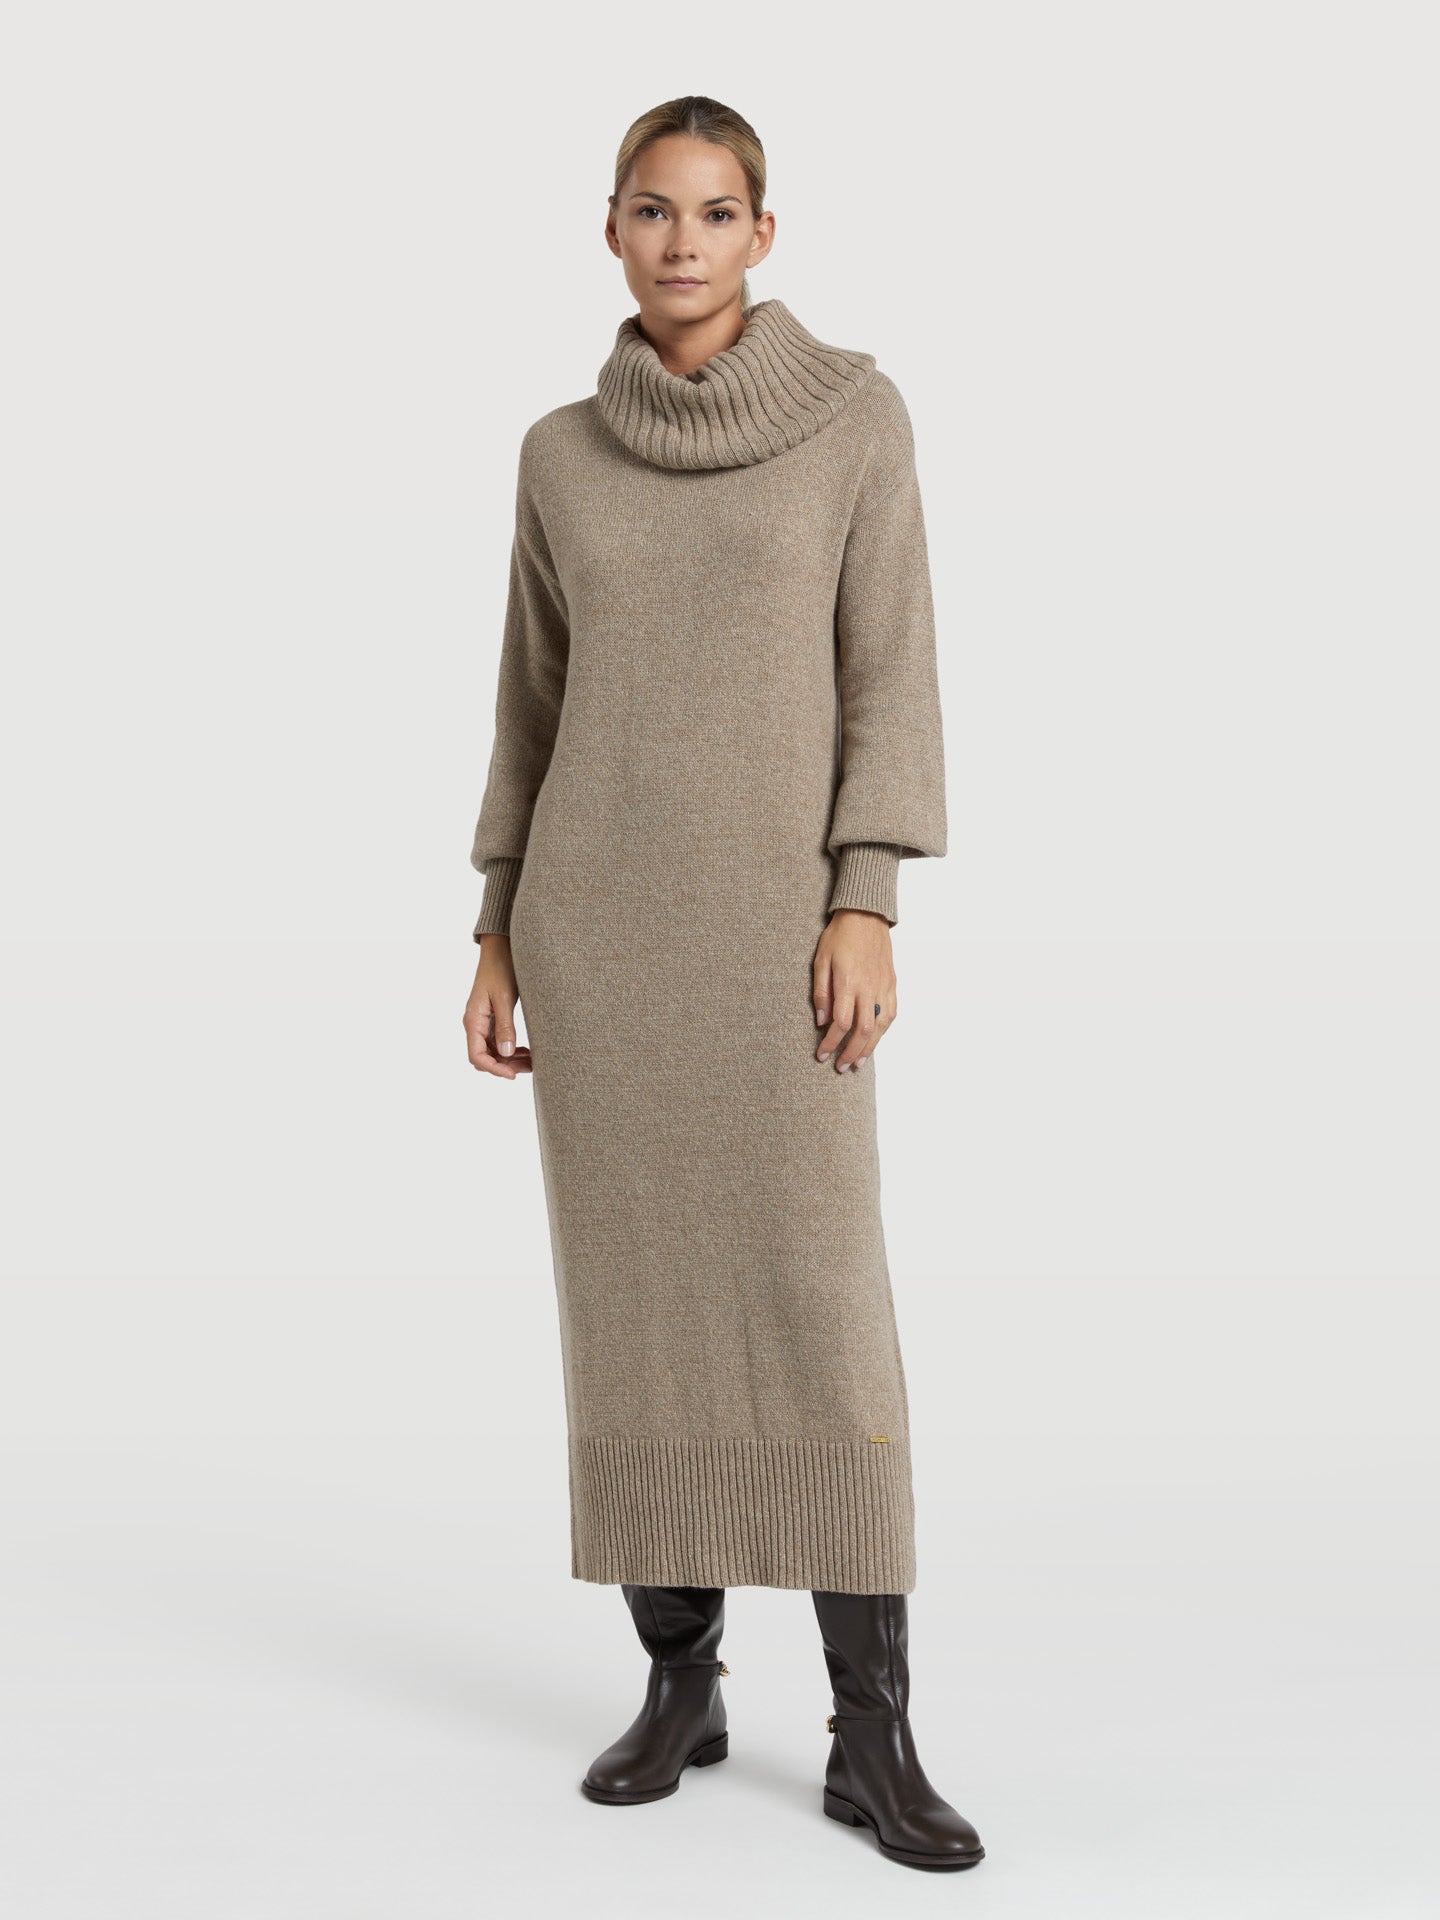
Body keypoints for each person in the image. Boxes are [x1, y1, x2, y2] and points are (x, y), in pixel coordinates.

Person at [463, 94, 984, 1871]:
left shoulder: (857, 421)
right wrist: (495, 922)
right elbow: (532, 701)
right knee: (633, 1311)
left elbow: (890, 669)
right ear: (610, 230)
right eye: (650, 210)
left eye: (713, 211)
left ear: (765, 234)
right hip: (600, 940)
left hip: (779, 943)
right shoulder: (558, 455)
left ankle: (871, 1733)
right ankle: (681, 1687)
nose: (680, 241)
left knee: (820, 1310)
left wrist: (867, 898)